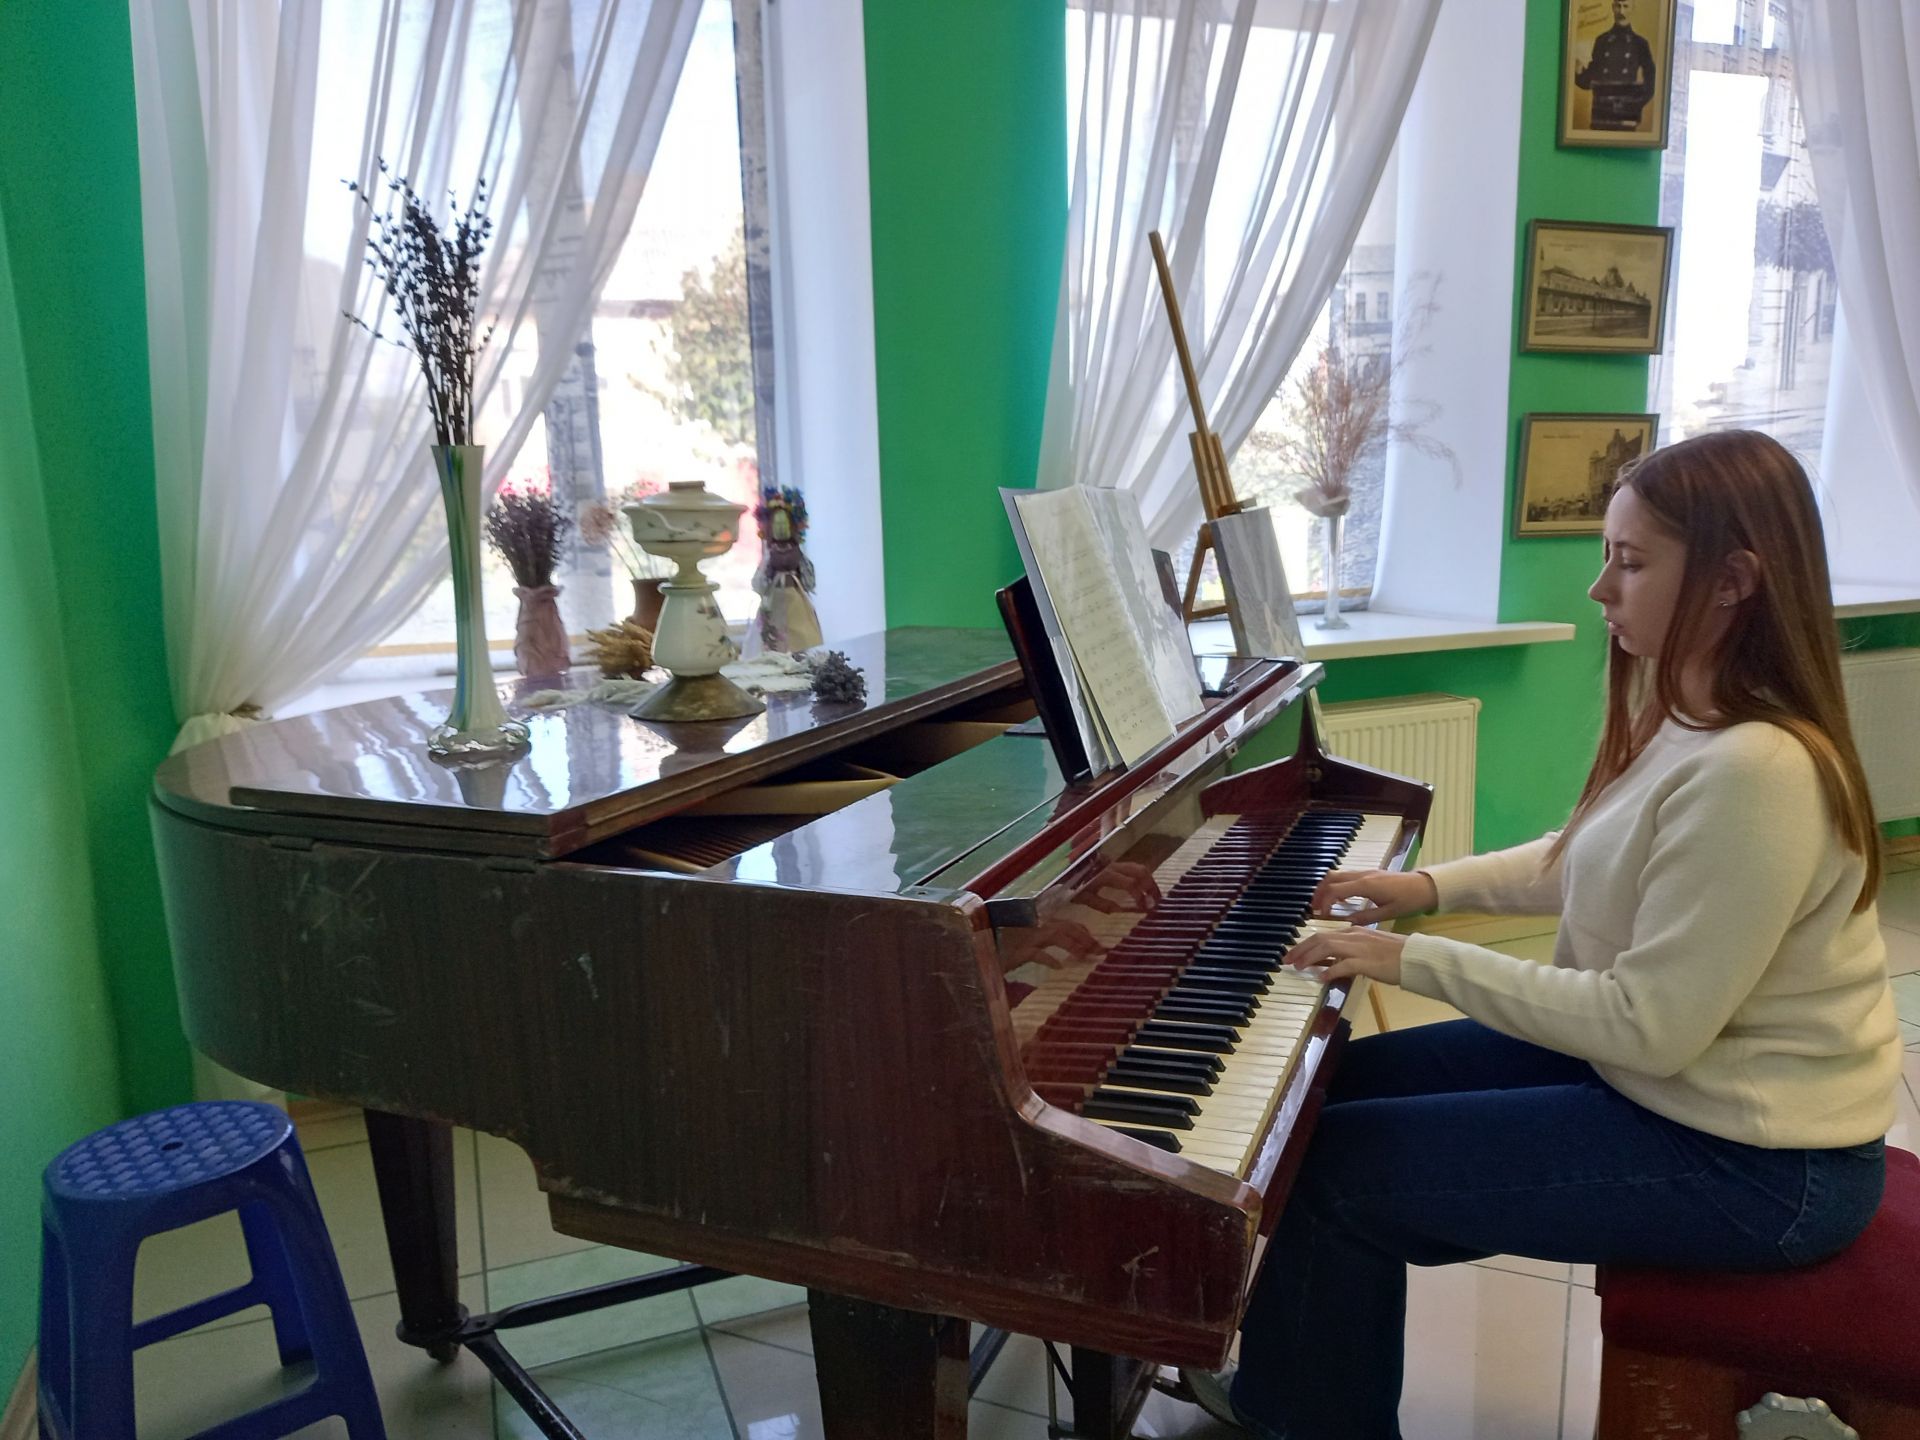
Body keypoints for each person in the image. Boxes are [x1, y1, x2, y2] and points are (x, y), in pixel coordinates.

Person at [1185, 429, 1901, 1440]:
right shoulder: (1695, 717)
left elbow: (1647, 1026)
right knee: (1321, 1089)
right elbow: (1583, 858)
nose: (1600, 588)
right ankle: (1290, 1391)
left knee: (1341, 1173)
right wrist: (1418, 888)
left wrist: (1412, 957)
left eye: (1630, 561)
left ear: (1733, 581)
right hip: (1673, 1089)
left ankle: (1302, 1416)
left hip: (1764, 1165)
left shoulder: (1759, 770)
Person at [1574, 0, 1658, 132]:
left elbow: (1651, 80)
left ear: (1632, 9)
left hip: (1626, 115)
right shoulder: (1601, 41)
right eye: (1618, 6)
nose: (1622, 11)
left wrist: (1634, 105)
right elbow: (1591, 78)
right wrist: (1578, 72)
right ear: (1613, 7)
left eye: (1626, 6)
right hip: (1601, 113)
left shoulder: (1640, 44)